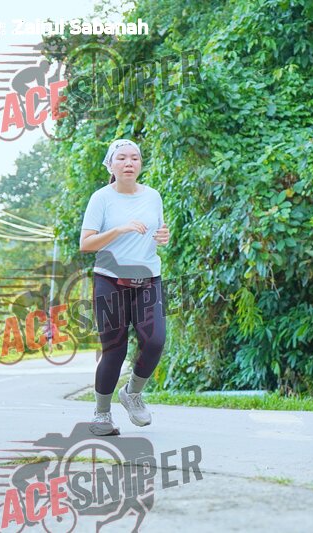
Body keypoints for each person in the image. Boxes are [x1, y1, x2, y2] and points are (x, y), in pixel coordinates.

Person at [79, 139, 171, 435]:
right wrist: (120, 229)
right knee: (114, 350)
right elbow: (86, 243)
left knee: (155, 341)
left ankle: (132, 393)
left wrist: (164, 236)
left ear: (140, 164)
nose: (129, 163)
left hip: (148, 279)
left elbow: (160, 230)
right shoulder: (101, 199)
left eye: (134, 158)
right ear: (111, 165)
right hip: (110, 280)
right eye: (122, 158)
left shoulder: (153, 196)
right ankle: (102, 415)